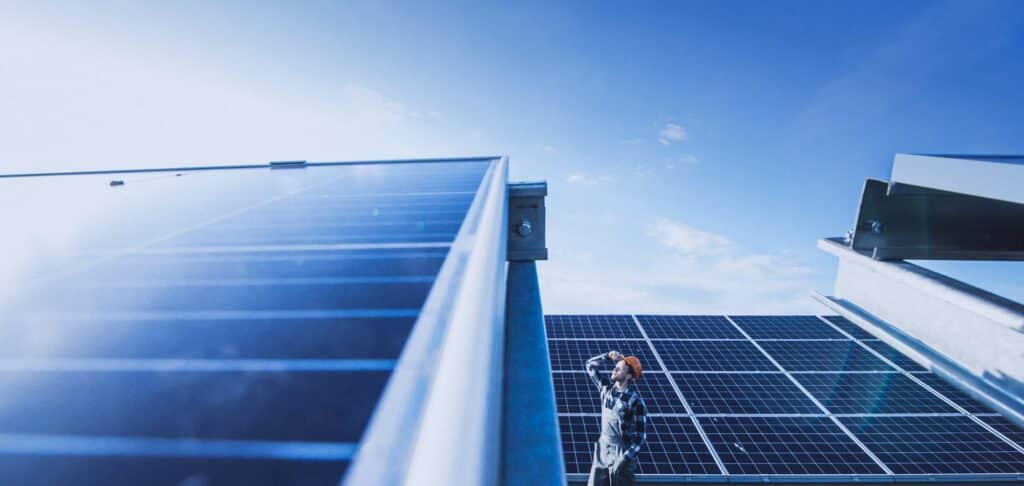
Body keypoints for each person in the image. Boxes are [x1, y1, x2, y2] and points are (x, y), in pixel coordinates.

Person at [585, 350, 647, 486]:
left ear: (629, 375)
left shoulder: (636, 402)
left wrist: (625, 459)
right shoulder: (606, 390)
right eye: (615, 367)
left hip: (622, 452)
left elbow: (640, 438)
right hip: (602, 450)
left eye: (620, 368)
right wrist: (607, 356)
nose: (615, 369)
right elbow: (590, 365)